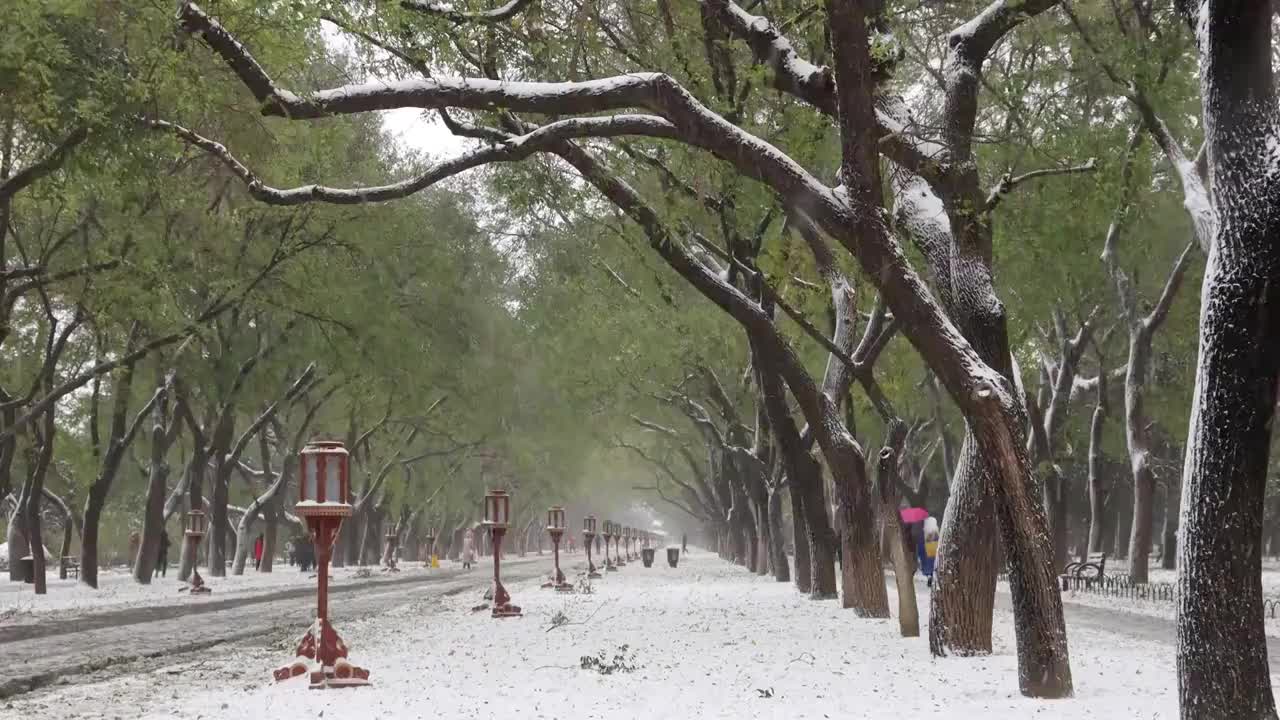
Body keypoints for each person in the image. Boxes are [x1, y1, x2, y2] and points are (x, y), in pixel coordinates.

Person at [919, 516, 939, 588]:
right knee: (933, 568)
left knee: (930, 569)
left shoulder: (924, 533)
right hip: (933, 556)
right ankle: (932, 578)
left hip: (928, 556)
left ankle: (930, 577)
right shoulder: (937, 534)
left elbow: (921, 549)